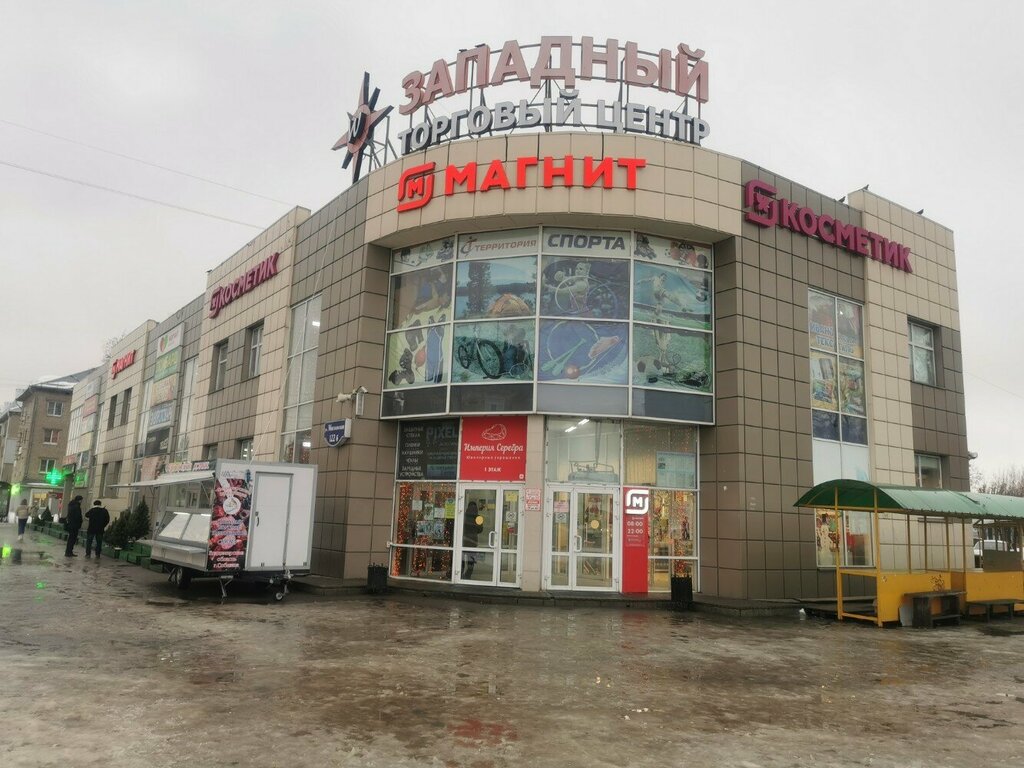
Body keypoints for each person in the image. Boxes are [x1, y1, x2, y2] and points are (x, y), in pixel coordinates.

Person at [461, 501, 484, 578]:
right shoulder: (479, 518)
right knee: (471, 560)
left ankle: (460, 574)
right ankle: (468, 575)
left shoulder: (463, 516)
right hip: (473, 542)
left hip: (463, 541)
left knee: (462, 559)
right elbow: (480, 530)